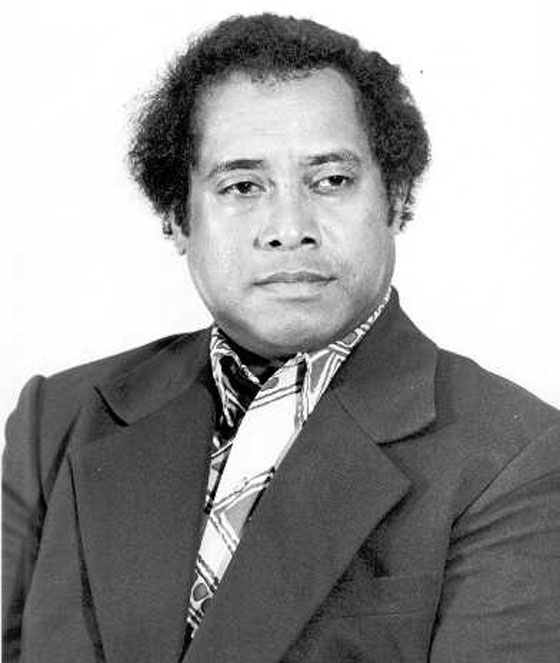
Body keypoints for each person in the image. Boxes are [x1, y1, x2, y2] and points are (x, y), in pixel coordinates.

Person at [3, 13, 560, 663]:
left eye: (331, 181)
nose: (289, 228)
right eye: (243, 186)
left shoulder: (516, 455)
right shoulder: (59, 420)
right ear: (176, 216)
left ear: (397, 198)